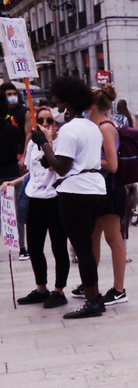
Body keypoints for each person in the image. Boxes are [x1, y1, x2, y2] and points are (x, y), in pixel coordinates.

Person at [35, 76, 108, 319]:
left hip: (74, 190)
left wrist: (44, 144)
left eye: (56, 103)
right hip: (95, 187)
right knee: (86, 244)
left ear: (68, 104)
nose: (54, 108)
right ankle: (94, 296)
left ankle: (92, 301)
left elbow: (63, 167)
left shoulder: (68, 130)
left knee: (82, 247)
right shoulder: (91, 127)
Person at [2, 106, 69, 308]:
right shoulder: (33, 143)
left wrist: (47, 141)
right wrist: (15, 182)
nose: (46, 125)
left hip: (55, 197)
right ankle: (41, 288)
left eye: (50, 121)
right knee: (35, 246)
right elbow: (32, 171)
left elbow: (54, 167)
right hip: (35, 197)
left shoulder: (60, 143)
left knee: (58, 246)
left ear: (56, 123)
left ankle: (59, 290)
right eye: (41, 120)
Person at [86, 84, 129, 305]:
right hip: (96, 187)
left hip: (109, 188)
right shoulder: (95, 127)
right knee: (93, 237)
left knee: (113, 239)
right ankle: (90, 283)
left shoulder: (105, 128)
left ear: (92, 105)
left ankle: (119, 288)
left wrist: (86, 161)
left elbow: (112, 164)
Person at [0, 83, 28, 260]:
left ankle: (22, 247)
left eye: (14, 93)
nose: (12, 96)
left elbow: (27, 136)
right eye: (8, 94)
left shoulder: (23, 112)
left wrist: (24, 156)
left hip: (13, 166)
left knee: (17, 210)